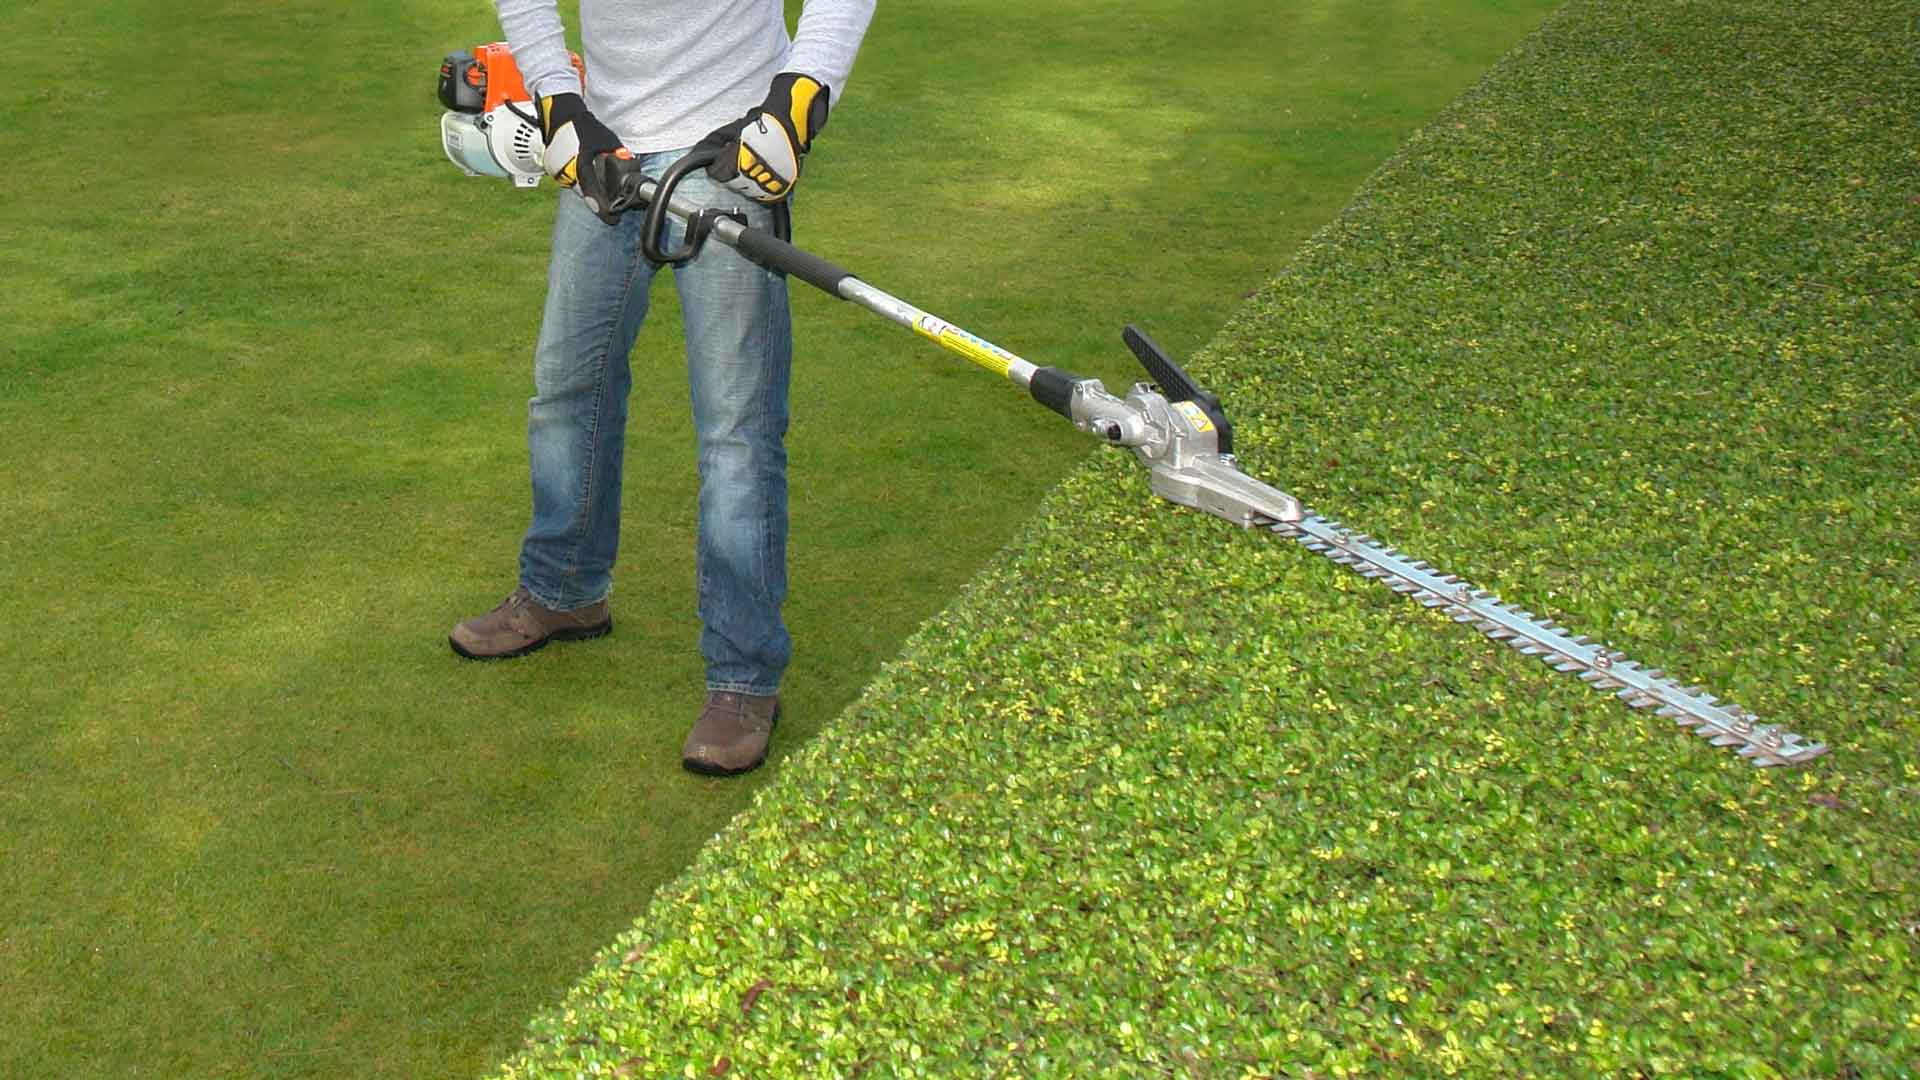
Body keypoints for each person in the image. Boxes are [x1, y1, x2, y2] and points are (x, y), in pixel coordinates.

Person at [450, 0, 876, 777]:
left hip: (729, 152)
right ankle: (565, 587)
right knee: (567, 389)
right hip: (605, 148)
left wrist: (798, 98)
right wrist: (560, 103)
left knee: (735, 430)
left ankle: (744, 677)